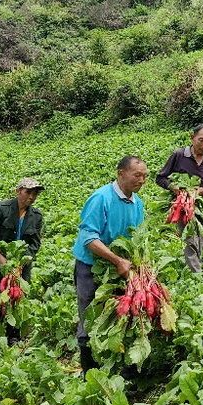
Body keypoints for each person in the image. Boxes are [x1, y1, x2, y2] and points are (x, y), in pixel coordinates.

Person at [72, 156, 147, 372]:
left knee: (122, 314)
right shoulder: (101, 198)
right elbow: (89, 238)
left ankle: (122, 368)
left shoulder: (137, 203)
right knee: (90, 315)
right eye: (137, 175)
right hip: (90, 266)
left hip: (118, 269)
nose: (141, 180)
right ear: (120, 173)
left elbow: (137, 239)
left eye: (144, 176)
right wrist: (117, 260)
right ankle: (89, 373)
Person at [155, 124, 203, 272]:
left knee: (202, 241)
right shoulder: (179, 155)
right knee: (191, 241)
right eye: (201, 140)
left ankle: (192, 267)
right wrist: (173, 187)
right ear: (192, 138)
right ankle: (197, 276)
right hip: (183, 208)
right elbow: (160, 178)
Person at [0, 178, 45, 343]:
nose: (32, 197)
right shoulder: (0, 209)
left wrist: (22, 262)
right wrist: (1, 259)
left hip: (22, 265)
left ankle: (14, 335)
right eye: (28, 192)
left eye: (35, 193)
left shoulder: (36, 216)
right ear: (18, 191)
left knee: (18, 297)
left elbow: (35, 244)